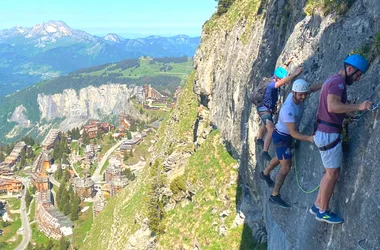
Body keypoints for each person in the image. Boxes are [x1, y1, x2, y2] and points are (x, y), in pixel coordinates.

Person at [310, 54, 372, 224]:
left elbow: (333, 108)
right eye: (358, 74)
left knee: (329, 173)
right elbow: (332, 106)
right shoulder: (338, 84)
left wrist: (348, 113)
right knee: (332, 174)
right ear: (349, 69)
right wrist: (359, 106)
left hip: (324, 131)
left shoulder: (333, 80)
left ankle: (316, 205)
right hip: (329, 133)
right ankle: (323, 211)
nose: (358, 79)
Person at [259, 79, 321, 207]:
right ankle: (274, 195)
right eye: (301, 95)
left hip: (284, 135)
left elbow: (312, 88)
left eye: (305, 94)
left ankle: (265, 173)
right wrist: (310, 138)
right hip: (282, 137)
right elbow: (293, 133)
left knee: (280, 157)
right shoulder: (288, 110)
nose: (303, 97)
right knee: (286, 166)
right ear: (293, 93)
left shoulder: (299, 93)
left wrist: (325, 84)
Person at [257, 66, 304, 162]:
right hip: (264, 109)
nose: (284, 81)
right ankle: (265, 152)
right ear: (277, 78)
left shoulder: (269, 81)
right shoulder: (271, 84)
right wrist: (295, 74)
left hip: (265, 109)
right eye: (282, 79)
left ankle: (259, 139)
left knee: (265, 124)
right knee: (271, 129)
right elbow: (281, 82)